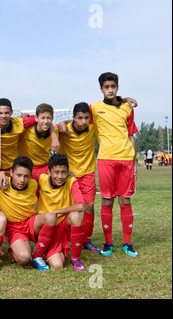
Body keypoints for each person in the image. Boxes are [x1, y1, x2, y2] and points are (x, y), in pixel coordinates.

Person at [90, 72, 139, 257]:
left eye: (113, 86)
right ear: (101, 89)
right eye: (106, 87)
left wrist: (134, 160)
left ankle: (127, 243)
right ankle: (108, 242)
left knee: (125, 199)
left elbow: (131, 135)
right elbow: (79, 117)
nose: (110, 90)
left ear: (117, 87)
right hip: (105, 159)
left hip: (126, 159)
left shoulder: (127, 108)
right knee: (107, 200)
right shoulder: (94, 108)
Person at [0, 156, 58, 271]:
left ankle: (37, 256)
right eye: (18, 175)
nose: (22, 180)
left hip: (31, 222)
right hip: (14, 228)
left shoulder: (34, 183)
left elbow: (54, 177)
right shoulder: (2, 183)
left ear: (30, 176)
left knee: (50, 217)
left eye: (26, 176)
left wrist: (70, 174)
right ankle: (19, 251)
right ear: (11, 173)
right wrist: (1, 173)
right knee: (24, 258)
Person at [57, 102, 100, 253]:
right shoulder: (63, 130)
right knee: (68, 208)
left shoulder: (93, 128)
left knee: (89, 206)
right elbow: (45, 127)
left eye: (86, 118)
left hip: (88, 173)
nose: (83, 121)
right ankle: (66, 237)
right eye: (80, 118)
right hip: (69, 175)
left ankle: (86, 240)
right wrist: (62, 123)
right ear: (73, 118)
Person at [37, 154, 86, 271]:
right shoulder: (41, 179)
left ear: (68, 172)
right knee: (58, 265)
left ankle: (76, 258)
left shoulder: (71, 181)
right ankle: (40, 250)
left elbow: (81, 206)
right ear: (49, 171)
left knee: (76, 216)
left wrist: (58, 212)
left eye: (63, 172)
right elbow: (21, 173)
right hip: (47, 226)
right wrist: (5, 173)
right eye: (56, 172)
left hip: (62, 225)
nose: (60, 176)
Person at [0, 98, 58, 172]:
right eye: (0, 113)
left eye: (6, 113)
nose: (3, 116)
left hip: (14, 167)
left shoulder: (21, 123)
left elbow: (43, 119)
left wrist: (54, 137)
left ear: (11, 112)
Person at [19, 103, 59, 181]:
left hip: (45, 168)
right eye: (42, 118)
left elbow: (70, 124)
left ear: (52, 118)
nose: (46, 121)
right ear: (36, 118)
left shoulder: (55, 130)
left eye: (48, 118)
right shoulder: (26, 130)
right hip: (27, 168)